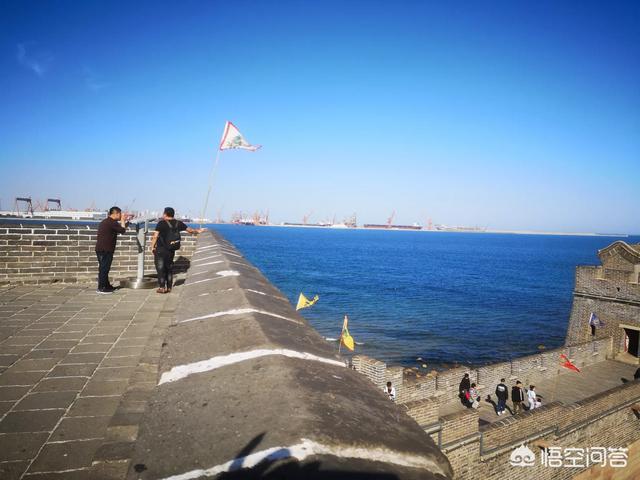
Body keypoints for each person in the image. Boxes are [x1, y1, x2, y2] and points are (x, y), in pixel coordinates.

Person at [150, 207, 205, 293]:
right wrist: (198, 231)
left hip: (161, 249)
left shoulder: (161, 223)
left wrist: (152, 247)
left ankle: (162, 287)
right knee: (169, 268)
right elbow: (190, 231)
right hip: (171, 249)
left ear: (165, 214)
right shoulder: (178, 223)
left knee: (160, 268)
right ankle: (169, 287)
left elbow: (155, 236)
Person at [95, 206, 128, 294]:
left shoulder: (106, 221)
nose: (121, 216)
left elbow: (119, 229)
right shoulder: (112, 222)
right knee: (104, 269)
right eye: (120, 214)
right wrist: (123, 220)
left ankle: (106, 286)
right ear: (116, 213)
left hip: (101, 248)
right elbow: (122, 231)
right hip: (106, 249)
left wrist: (125, 223)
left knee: (104, 268)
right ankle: (101, 288)